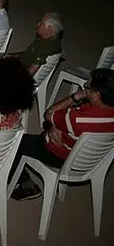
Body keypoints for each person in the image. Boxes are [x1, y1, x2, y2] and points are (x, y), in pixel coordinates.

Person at [10, 68, 114, 201]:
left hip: (58, 155)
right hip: (90, 158)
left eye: (87, 87)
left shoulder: (77, 119)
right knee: (50, 127)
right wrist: (58, 126)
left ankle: (21, 186)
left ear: (96, 95)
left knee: (14, 141)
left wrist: (75, 97)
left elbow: (48, 114)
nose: (84, 89)